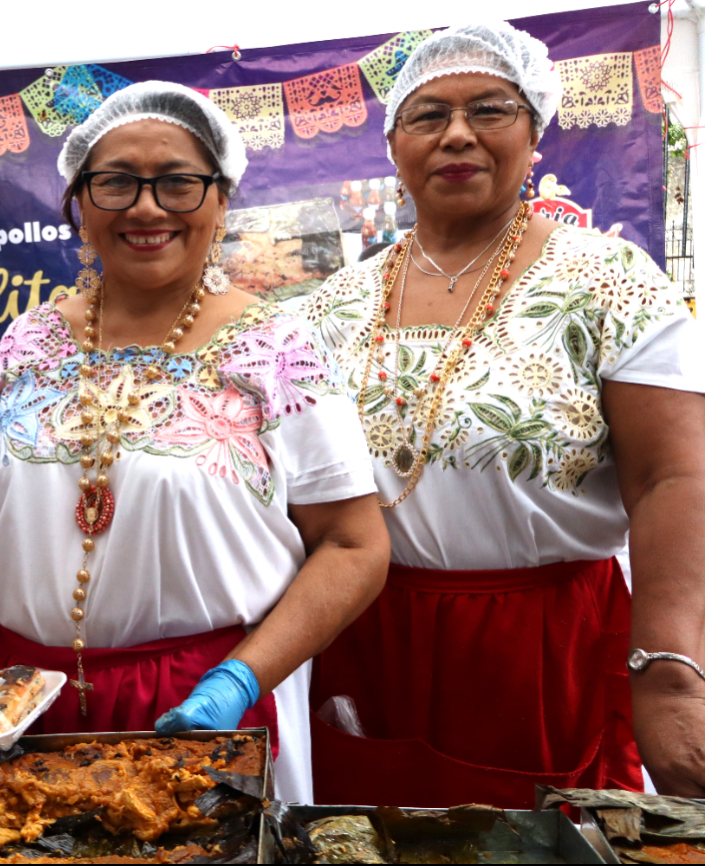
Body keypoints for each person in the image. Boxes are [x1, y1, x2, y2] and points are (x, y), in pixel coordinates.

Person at [0, 81, 389, 801]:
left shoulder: (277, 347)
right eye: (116, 183)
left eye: (176, 183)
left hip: (193, 708)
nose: (144, 206)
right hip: (21, 706)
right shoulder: (28, 340)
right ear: (79, 205)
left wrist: (240, 678)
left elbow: (354, 545)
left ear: (220, 201)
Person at [299, 22, 705, 806]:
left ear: (533, 130)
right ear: (392, 144)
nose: (457, 133)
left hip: (543, 643)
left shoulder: (606, 278)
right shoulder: (333, 303)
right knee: (371, 834)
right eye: (427, 115)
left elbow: (672, 479)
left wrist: (669, 672)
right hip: (363, 634)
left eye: (489, 108)